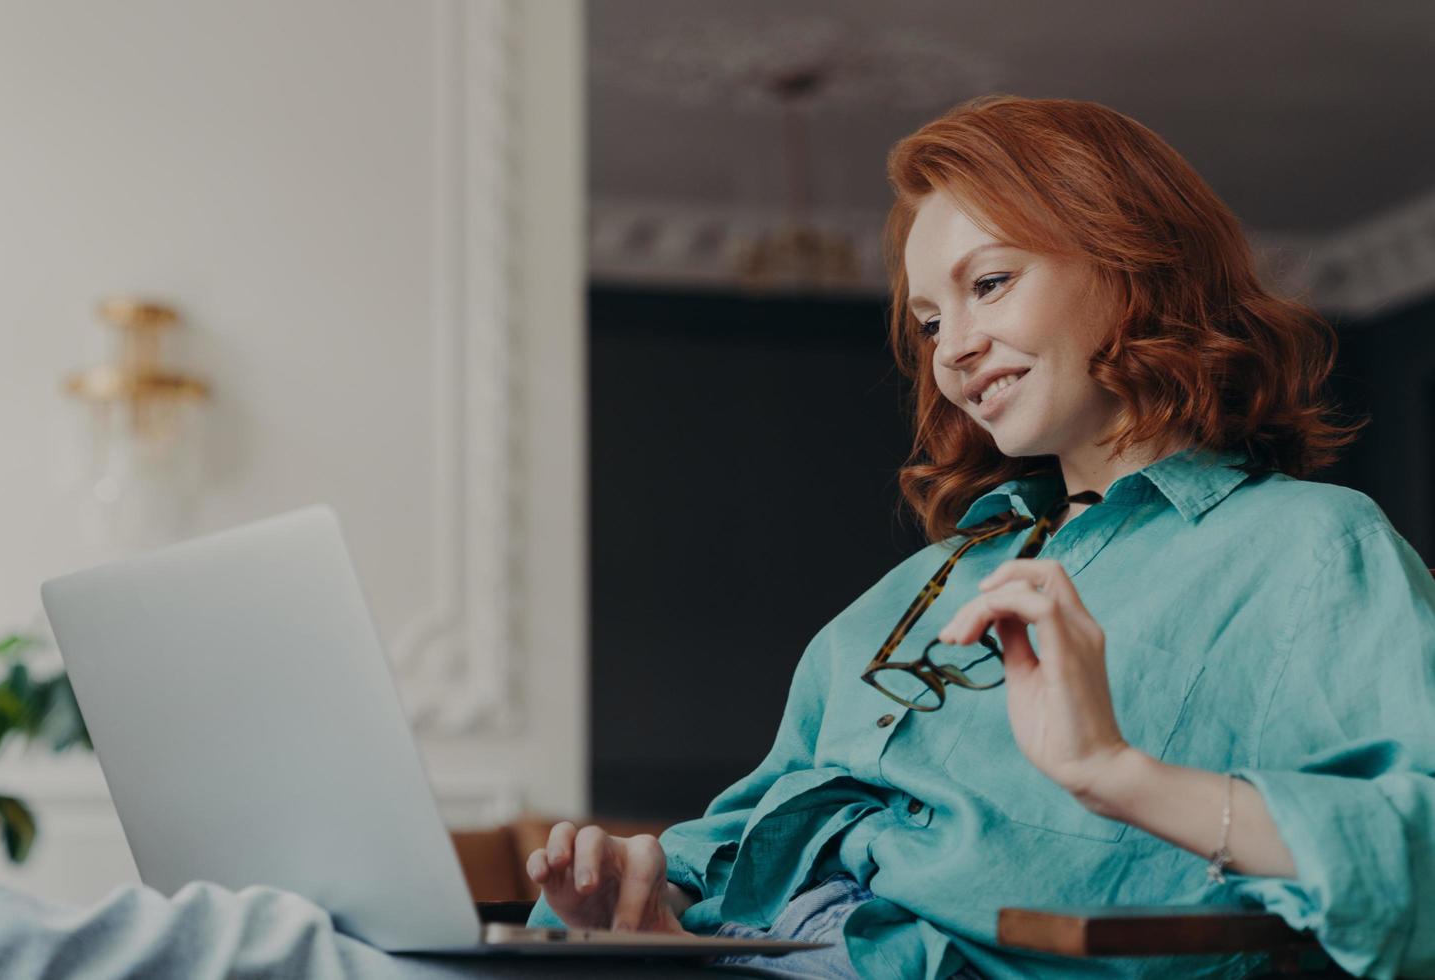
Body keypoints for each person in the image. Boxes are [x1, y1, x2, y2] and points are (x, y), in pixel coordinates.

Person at [524, 94, 1435, 979]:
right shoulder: (916, 589)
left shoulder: (1308, 550)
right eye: (928, 322)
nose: (952, 347)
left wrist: (1112, 771)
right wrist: (646, 906)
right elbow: (741, 833)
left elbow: (1417, 863)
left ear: (1134, 266)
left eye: (989, 285)